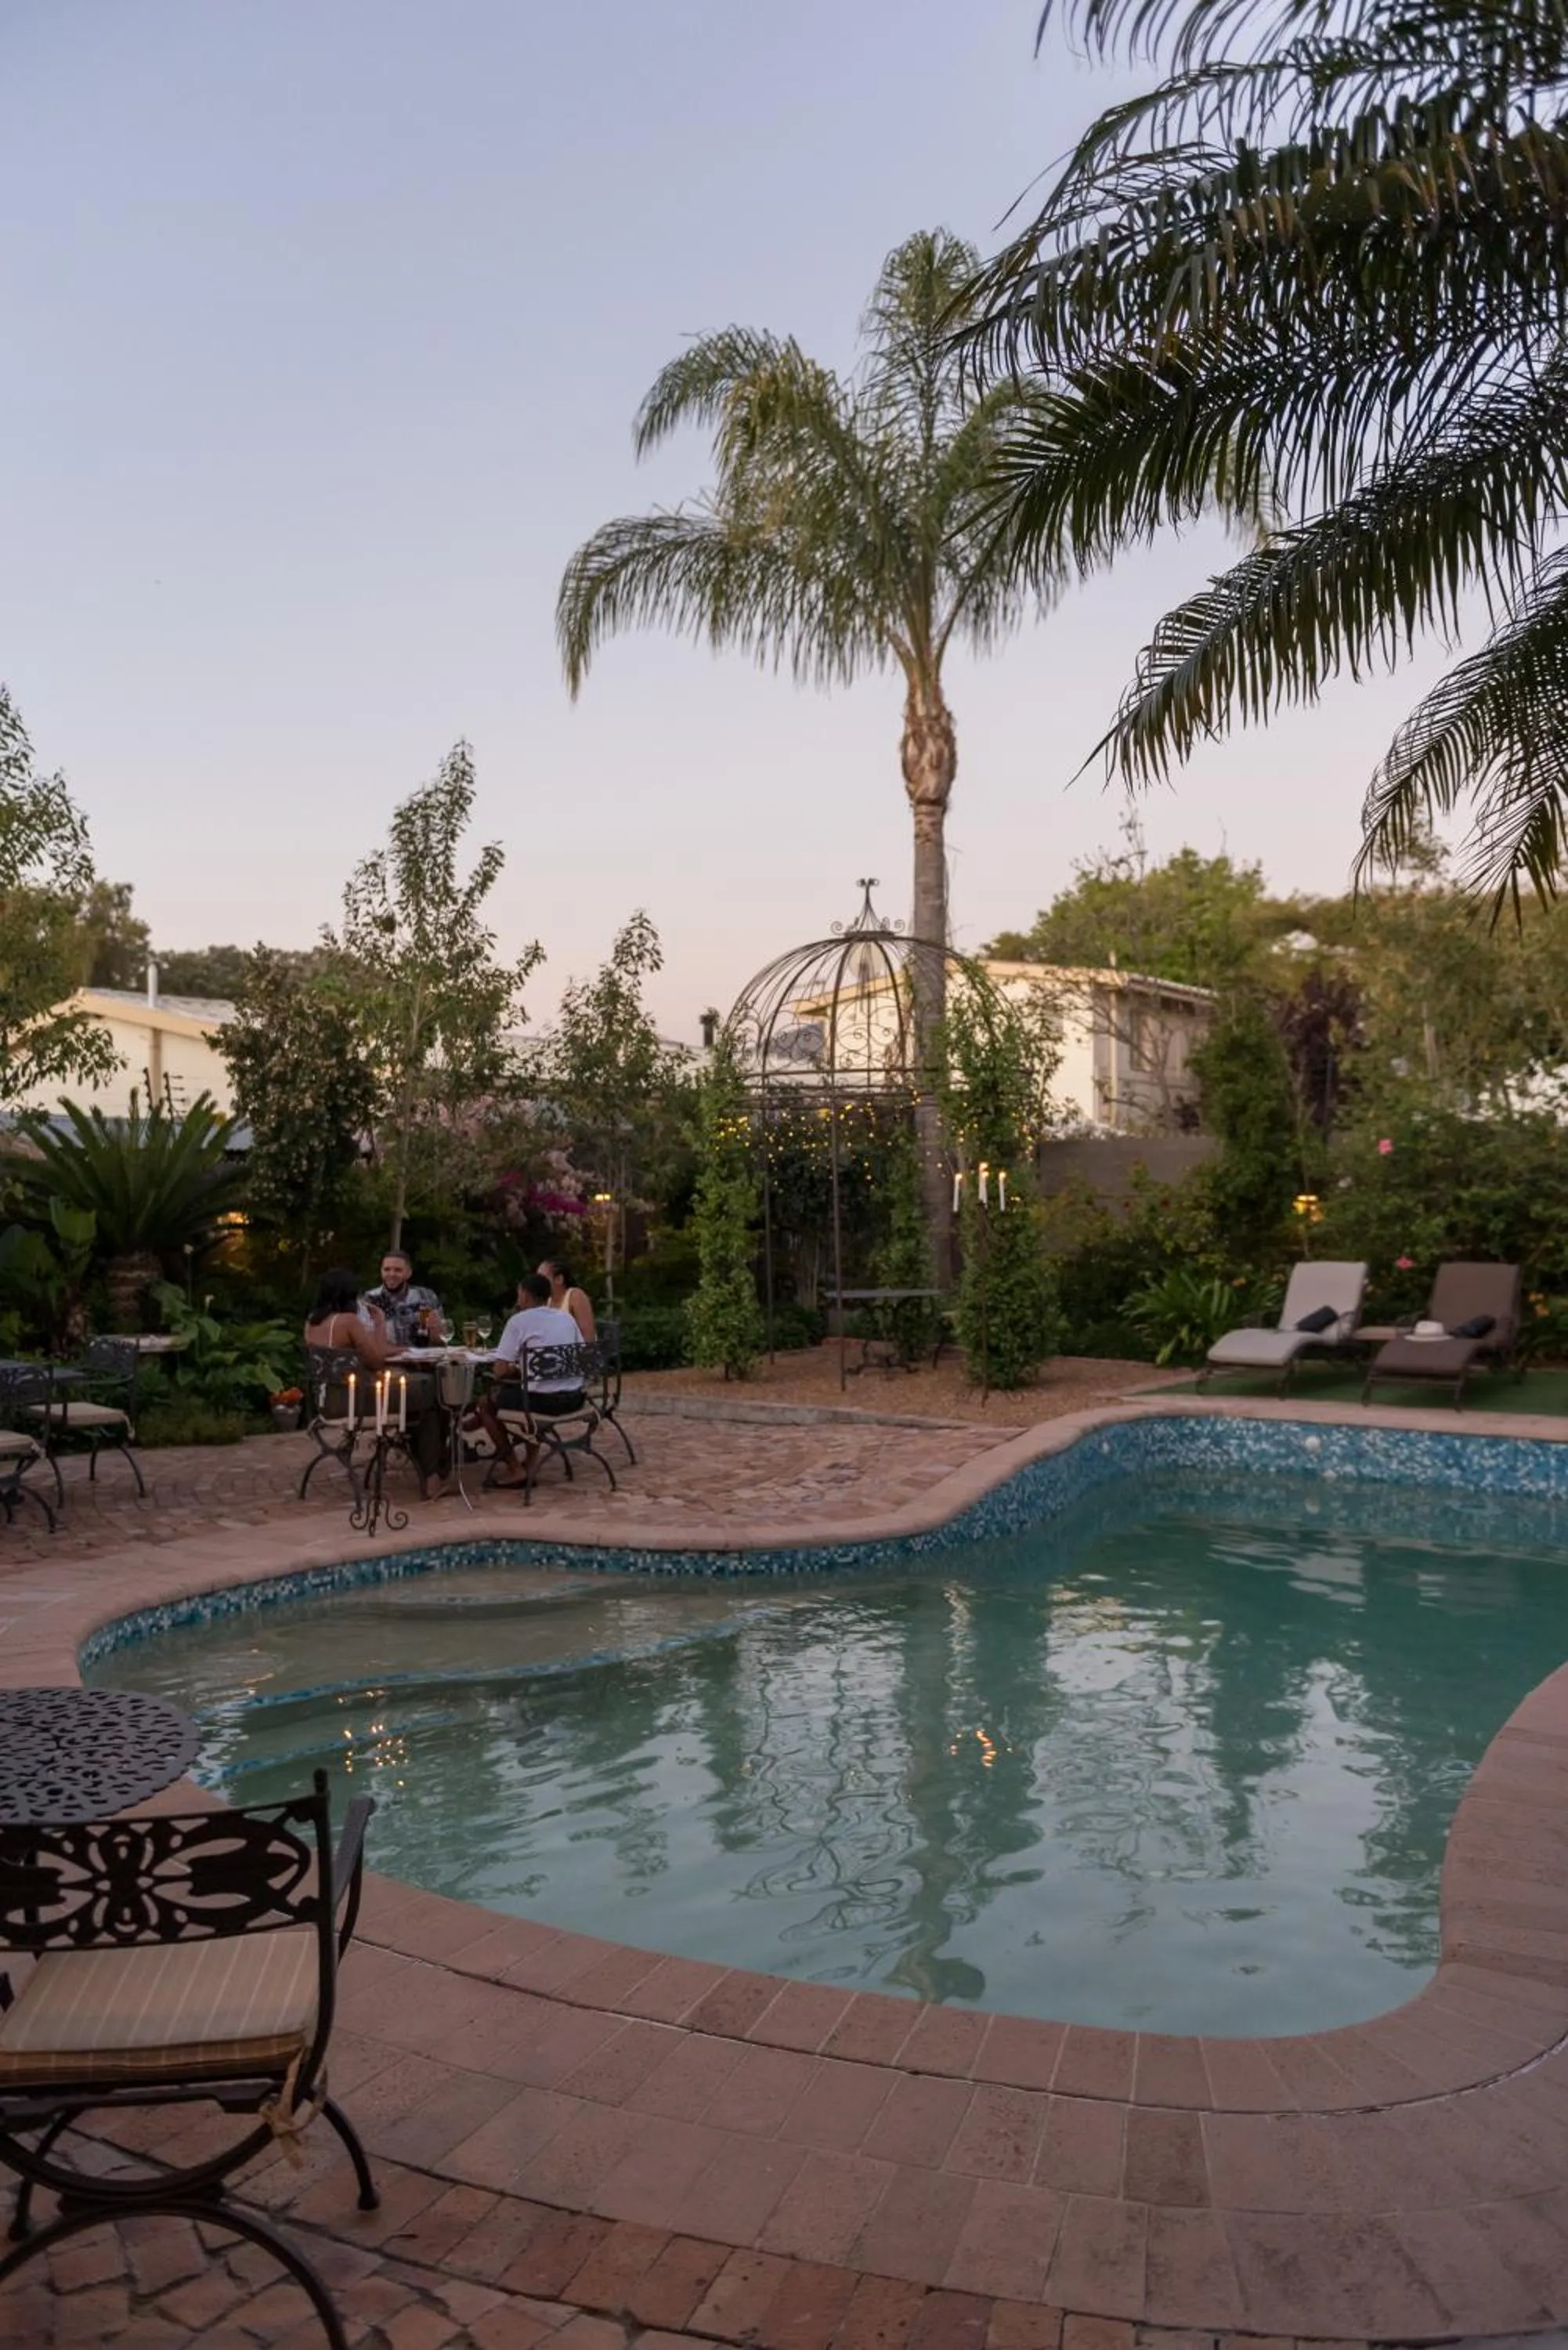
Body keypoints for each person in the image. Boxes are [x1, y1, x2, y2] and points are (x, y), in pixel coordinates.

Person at [304, 1267, 449, 1498]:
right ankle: (433, 1476)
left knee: (417, 1397)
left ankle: (418, 1451)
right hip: (355, 1402)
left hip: (326, 1400)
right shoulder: (349, 1321)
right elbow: (376, 1360)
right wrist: (379, 1321)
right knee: (429, 1391)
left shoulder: (311, 1323)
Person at [472, 1272, 586, 1488]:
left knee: (486, 1404)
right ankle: (531, 1463)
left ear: (524, 1296)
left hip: (542, 1403)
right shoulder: (567, 1318)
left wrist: (515, 1370)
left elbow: (499, 1370)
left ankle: (515, 1468)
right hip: (575, 1399)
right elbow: (578, 1358)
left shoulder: (519, 1321)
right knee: (527, 1389)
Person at [364, 1250, 443, 1349]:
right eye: (387, 1269)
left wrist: (435, 1330)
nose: (392, 1274)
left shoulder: (426, 1296)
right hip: (386, 1360)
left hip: (423, 1360)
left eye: (398, 1270)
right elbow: (367, 1343)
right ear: (381, 1272)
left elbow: (440, 1342)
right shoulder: (370, 1299)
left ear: (409, 1273)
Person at [539, 1259, 596, 1341]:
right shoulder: (547, 1300)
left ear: (559, 1279)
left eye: (542, 1278)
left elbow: (589, 1337)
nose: (538, 1283)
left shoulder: (575, 1296)